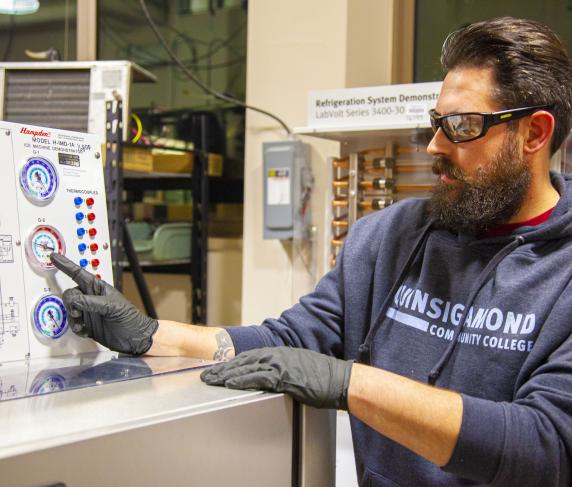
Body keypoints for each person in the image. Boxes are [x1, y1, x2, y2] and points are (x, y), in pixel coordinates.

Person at [50, 16, 572, 487]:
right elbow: (290, 340)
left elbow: (543, 446)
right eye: (436, 124)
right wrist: (150, 334)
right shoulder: (388, 239)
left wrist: (350, 382)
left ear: (534, 133)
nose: (435, 146)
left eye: (462, 126)